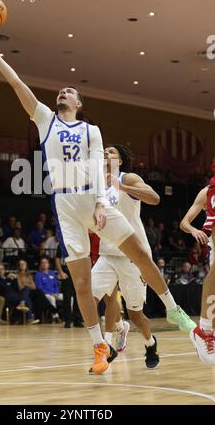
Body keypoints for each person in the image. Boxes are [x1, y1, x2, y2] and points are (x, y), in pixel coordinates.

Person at [0, 27, 195, 374]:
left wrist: (98, 202)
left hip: (91, 200)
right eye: (60, 91)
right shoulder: (45, 119)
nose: (63, 92)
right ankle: (98, 346)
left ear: (79, 103)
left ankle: (172, 308)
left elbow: (97, 165)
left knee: (139, 252)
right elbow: (18, 85)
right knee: (81, 283)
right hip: (64, 205)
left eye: (70, 92)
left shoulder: (90, 131)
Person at [91, 145, 160, 368]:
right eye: (103, 150)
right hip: (108, 253)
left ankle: (150, 343)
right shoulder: (97, 187)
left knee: (136, 314)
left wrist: (121, 186)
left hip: (133, 256)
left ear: (120, 161)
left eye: (111, 151)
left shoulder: (128, 178)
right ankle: (107, 346)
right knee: (88, 299)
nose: (105, 152)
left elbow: (154, 198)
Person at [180, 173, 215, 365]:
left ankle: (207, 333)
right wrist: (194, 230)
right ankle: (204, 331)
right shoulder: (206, 192)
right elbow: (184, 223)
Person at [55, 244, 83, 328]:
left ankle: (77, 320)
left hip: (77, 272)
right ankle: (67, 320)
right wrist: (60, 272)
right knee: (67, 298)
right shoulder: (61, 244)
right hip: (66, 272)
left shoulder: (77, 243)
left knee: (77, 297)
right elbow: (57, 259)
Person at [34, 257, 61, 323]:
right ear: (40, 265)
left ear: (48, 264)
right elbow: (39, 288)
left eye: (45, 262)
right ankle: (55, 318)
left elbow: (56, 285)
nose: (44, 264)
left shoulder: (52, 273)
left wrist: (56, 293)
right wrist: (52, 294)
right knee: (52, 298)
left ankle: (70, 316)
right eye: (42, 263)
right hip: (45, 294)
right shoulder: (38, 275)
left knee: (70, 298)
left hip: (55, 293)